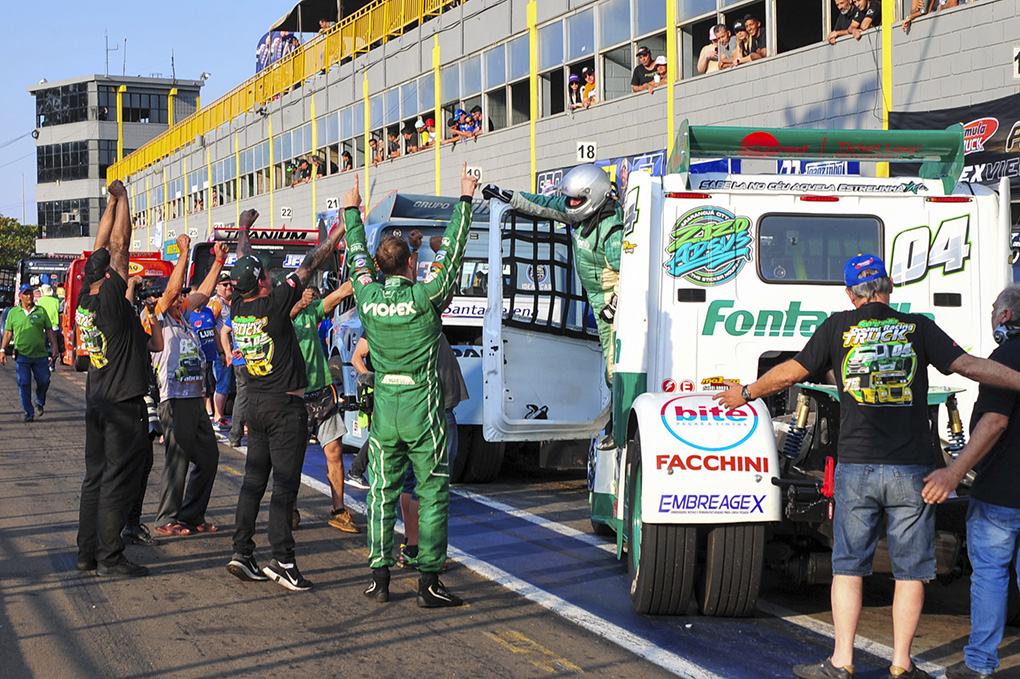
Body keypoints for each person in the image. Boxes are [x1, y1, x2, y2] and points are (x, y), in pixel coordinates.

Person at [714, 254, 1020, 679]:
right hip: (913, 471)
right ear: (889, 285)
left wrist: (746, 393)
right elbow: (970, 367)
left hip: (855, 469)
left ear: (849, 293)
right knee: (910, 573)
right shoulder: (918, 328)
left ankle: (842, 661)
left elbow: (788, 375)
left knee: (848, 566)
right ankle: (901, 664)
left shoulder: (837, 326)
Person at [348, 166, 478, 607]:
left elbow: (354, 259)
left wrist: (351, 212)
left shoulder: (365, 297)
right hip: (425, 410)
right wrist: (465, 198)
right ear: (410, 263)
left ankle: (379, 580)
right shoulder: (426, 297)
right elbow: (456, 253)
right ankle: (429, 583)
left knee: (382, 494)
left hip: (385, 410)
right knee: (433, 492)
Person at [225, 201, 348, 592]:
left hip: (257, 403)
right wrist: (341, 230)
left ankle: (242, 551)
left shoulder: (238, 306)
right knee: (284, 486)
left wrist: (244, 229)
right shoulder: (276, 302)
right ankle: (283, 559)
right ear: (262, 281)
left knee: (252, 482)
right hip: (284, 406)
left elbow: (244, 259)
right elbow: (311, 262)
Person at [921, 285, 1020, 679]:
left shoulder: (1007, 356)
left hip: (1001, 493)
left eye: (995, 308)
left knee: (991, 577)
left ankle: (979, 663)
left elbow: (994, 421)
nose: (993, 313)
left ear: (1006, 316)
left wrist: (953, 471)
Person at [75, 181, 164, 578]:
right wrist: (125, 199)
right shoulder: (111, 296)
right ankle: (110, 557)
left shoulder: (85, 297)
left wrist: (110, 203)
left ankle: (86, 553)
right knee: (116, 478)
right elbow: (119, 245)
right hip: (121, 402)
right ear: (108, 275)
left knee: (94, 477)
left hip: (97, 399)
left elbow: (101, 245)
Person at [482, 163, 622, 389]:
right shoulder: (578, 213)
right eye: (570, 198)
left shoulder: (612, 228)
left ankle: (620, 419)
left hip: (610, 304)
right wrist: (508, 196)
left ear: (594, 195)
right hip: (596, 300)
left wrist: (615, 305)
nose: (571, 204)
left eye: (577, 199)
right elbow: (544, 205)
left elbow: (631, 272)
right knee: (611, 367)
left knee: (615, 371)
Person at [152, 236, 229, 537]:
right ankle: (165, 519)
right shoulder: (158, 317)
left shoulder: (183, 317)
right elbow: (172, 289)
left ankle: (191, 514)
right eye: (178, 297)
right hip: (174, 399)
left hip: (195, 397)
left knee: (208, 456)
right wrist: (184, 254)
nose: (183, 299)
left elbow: (205, 292)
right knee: (178, 458)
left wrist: (219, 260)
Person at [289, 282, 359, 533]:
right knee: (292, 458)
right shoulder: (278, 318)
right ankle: (290, 509)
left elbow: (341, 293)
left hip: (321, 392)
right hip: (294, 397)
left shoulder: (312, 311)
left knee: (334, 451)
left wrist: (367, 267)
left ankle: (339, 510)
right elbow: (286, 316)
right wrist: (297, 304)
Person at [1, 285, 57, 421]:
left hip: (40, 355)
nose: (29, 296)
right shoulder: (14, 313)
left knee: (44, 380)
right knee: (24, 383)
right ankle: (29, 412)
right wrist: (2, 350)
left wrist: (54, 346)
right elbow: (8, 333)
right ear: (20, 296)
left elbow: (49, 330)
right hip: (22, 356)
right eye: (26, 294)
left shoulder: (41, 311)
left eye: (30, 293)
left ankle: (39, 400)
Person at [205, 272, 234, 429]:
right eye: (225, 284)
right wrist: (221, 351)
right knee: (222, 382)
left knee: (226, 383)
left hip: (229, 348)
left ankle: (216, 413)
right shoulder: (215, 304)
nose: (229, 287)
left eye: (230, 284)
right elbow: (211, 326)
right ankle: (218, 416)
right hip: (220, 350)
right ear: (217, 286)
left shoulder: (228, 303)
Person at [36, 283, 62, 370]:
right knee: (54, 346)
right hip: (54, 327)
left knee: (43, 346)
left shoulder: (39, 302)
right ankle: (52, 364)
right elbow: (60, 313)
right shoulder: (56, 301)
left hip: (43, 328)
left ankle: (45, 362)